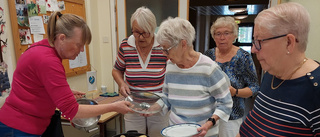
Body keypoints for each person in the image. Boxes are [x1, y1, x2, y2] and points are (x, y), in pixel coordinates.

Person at [0, 11, 132, 136]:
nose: (81, 50)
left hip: (18, 125)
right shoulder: (48, 60)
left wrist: (66, 92)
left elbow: (36, 88)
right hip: (17, 127)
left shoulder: (42, 49)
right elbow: (73, 111)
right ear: (62, 38)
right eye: (79, 45)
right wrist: (114, 107)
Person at [239, 2, 320, 136]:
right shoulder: (271, 74)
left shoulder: (315, 89)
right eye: (254, 41)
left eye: (259, 41)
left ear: (289, 42)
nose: (253, 49)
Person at [155, 17, 233, 137]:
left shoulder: (209, 69)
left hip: (203, 133)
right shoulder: (170, 66)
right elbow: (166, 97)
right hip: (175, 132)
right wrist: (152, 108)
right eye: (162, 50)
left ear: (183, 44)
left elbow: (226, 103)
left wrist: (209, 123)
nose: (164, 55)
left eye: (167, 50)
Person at [112, 7, 168, 137]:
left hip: (158, 105)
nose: (140, 37)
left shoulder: (163, 45)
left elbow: (173, 77)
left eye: (145, 33)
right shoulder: (126, 45)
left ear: (153, 29)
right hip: (133, 105)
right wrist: (121, 84)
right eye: (137, 32)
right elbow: (116, 70)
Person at [204, 16, 259, 137]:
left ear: (234, 35)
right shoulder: (208, 55)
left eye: (226, 33)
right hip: (209, 114)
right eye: (218, 34)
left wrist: (235, 92)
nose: (222, 37)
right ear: (213, 36)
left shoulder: (243, 57)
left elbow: (254, 88)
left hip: (232, 116)